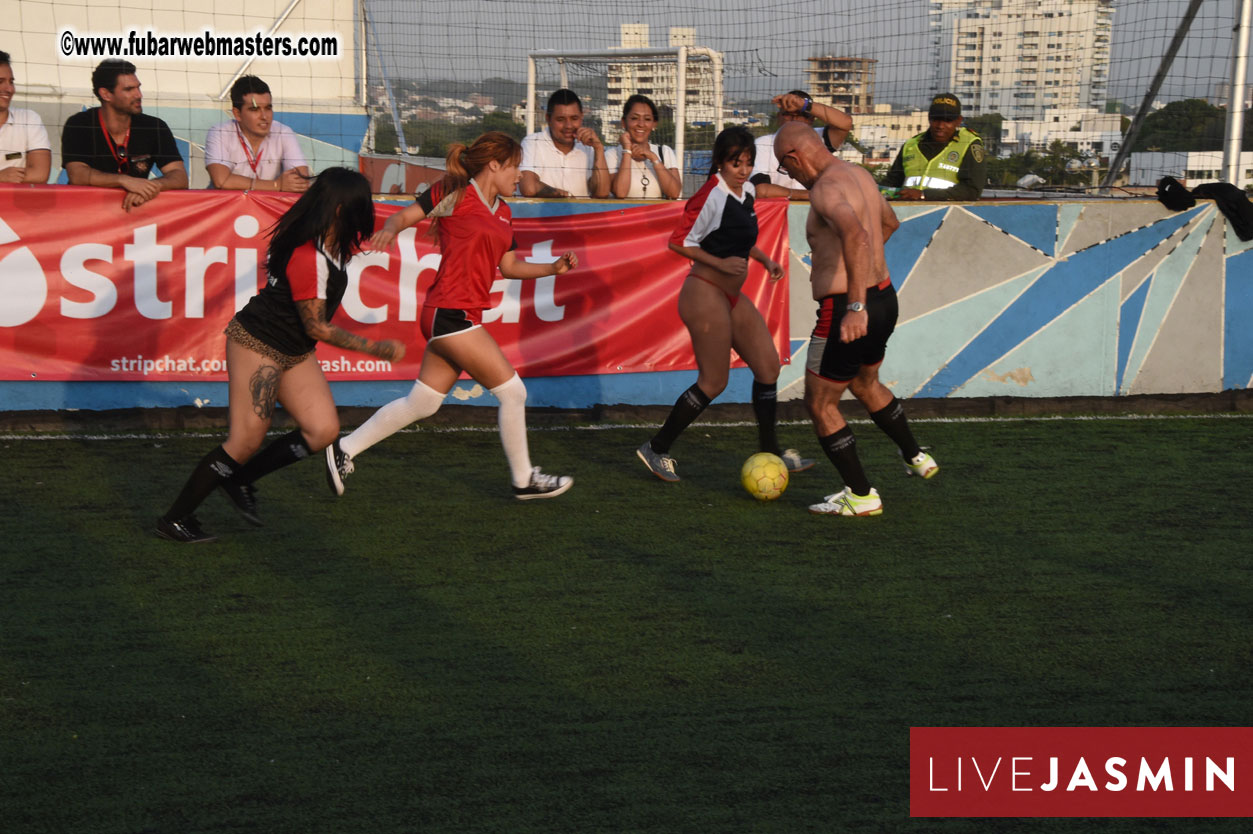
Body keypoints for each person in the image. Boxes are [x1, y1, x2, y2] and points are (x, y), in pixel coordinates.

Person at [155, 168, 406, 543]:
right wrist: (377, 349)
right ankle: (175, 519)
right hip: (258, 343)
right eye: (362, 205)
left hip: (292, 350)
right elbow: (316, 327)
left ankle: (239, 480)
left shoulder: (331, 242)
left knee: (323, 430)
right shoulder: (311, 254)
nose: (367, 212)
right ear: (341, 210)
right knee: (244, 441)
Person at [325, 131, 576, 500]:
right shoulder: (455, 192)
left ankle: (344, 449)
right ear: (494, 164)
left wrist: (552, 269)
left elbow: (507, 266)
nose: (519, 175)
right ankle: (524, 479)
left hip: (456, 316)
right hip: (449, 313)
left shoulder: (505, 212)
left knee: (423, 403)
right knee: (514, 393)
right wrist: (390, 230)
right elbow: (405, 216)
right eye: (515, 166)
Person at [774, 122, 939, 517]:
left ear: (794, 158)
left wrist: (855, 304)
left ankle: (861, 495)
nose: (789, 175)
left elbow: (857, 236)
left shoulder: (826, 188)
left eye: (785, 167)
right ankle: (916, 456)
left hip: (849, 309)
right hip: (885, 299)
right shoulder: (860, 175)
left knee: (820, 404)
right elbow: (888, 225)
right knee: (866, 383)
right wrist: (866, 287)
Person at [636, 126, 814, 483]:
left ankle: (770, 452)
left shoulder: (745, 191)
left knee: (767, 368)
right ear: (721, 162)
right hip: (704, 291)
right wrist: (719, 264)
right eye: (736, 163)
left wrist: (763, 259)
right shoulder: (710, 194)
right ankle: (656, 449)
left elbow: (734, 238)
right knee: (714, 381)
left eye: (748, 162)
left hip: (730, 295)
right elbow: (679, 242)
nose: (744, 170)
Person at [61, 59, 188, 211]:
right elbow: (77, 175)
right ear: (106, 94)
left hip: (134, 211)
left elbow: (179, 175)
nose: (138, 94)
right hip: (88, 213)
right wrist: (123, 181)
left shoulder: (154, 127)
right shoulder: (80, 124)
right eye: (129, 89)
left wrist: (151, 187)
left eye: (138, 87)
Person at [205, 75, 310, 192]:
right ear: (237, 114)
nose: (264, 116)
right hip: (228, 207)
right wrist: (276, 185)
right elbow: (221, 181)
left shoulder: (283, 132)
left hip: (268, 206)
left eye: (268, 108)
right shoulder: (220, 132)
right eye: (254, 109)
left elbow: (301, 181)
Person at [880, 93, 986, 201]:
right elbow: (891, 184)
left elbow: (972, 190)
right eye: (936, 119)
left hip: (947, 214)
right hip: (907, 213)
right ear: (929, 118)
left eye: (947, 120)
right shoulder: (911, 145)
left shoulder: (969, 143)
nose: (940, 126)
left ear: (958, 121)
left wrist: (924, 195)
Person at [750, 90, 853, 200]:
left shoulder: (817, 138)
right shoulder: (762, 144)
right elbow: (761, 190)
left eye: (801, 115)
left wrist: (804, 105)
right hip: (778, 211)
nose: (794, 119)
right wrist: (813, 195)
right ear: (779, 116)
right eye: (788, 115)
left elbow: (845, 123)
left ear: (812, 119)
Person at [518, 88, 610, 198]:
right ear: (548, 118)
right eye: (561, 119)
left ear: (581, 117)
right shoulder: (533, 142)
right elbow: (528, 187)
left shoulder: (589, 148)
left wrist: (598, 148)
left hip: (580, 215)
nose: (568, 126)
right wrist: (560, 195)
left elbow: (602, 193)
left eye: (574, 118)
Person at [605, 94, 681, 200]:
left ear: (654, 124)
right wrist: (627, 150)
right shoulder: (612, 154)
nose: (641, 124)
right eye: (634, 118)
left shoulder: (664, 152)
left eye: (647, 119)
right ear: (624, 122)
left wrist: (653, 157)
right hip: (626, 215)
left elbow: (674, 193)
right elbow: (620, 193)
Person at [0, 50, 51, 184]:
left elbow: (40, 174)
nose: (9, 89)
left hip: (17, 204)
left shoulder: (28, 119)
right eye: (0, 81)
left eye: (11, 82)